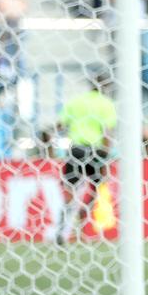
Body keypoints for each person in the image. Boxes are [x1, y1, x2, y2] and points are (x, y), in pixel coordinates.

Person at [56, 72, 116, 244]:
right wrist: (106, 155)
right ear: (106, 86)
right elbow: (107, 132)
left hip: (75, 149)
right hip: (95, 151)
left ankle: (62, 230)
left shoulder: (76, 101)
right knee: (97, 188)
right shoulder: (106, 104)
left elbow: (60, 124)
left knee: (69, 190)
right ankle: (80, 226)